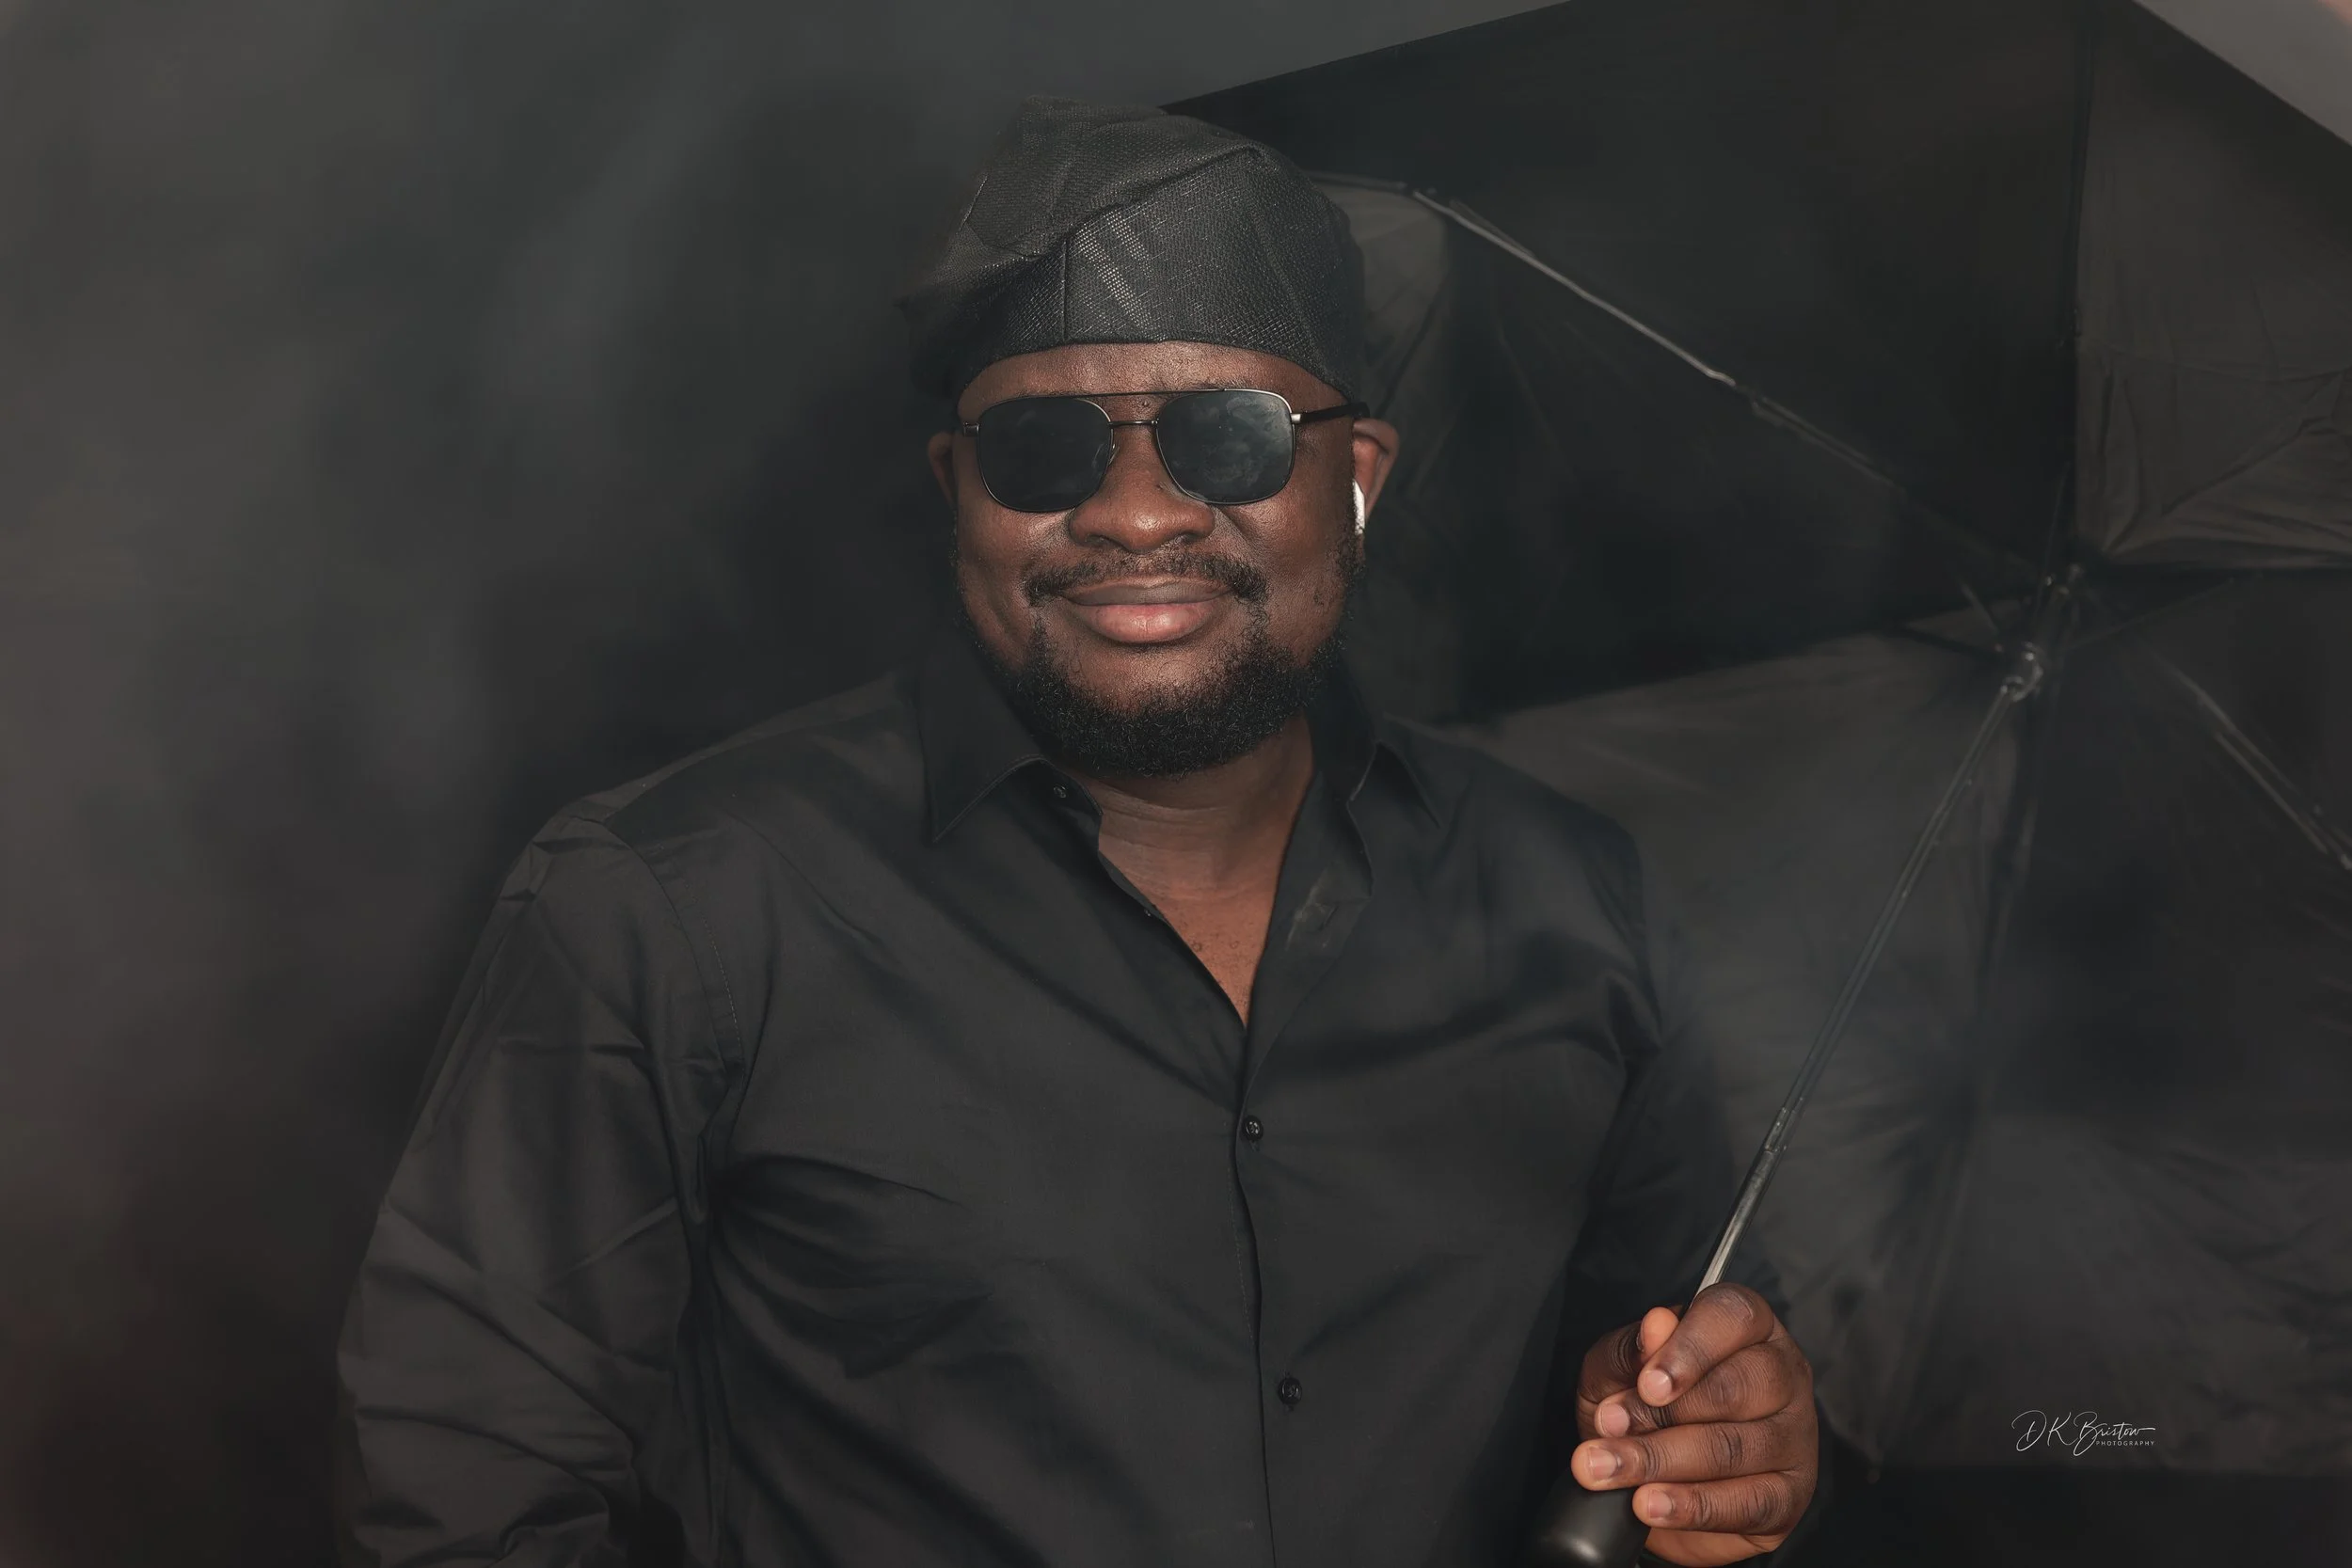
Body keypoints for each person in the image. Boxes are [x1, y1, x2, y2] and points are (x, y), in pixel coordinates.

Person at [335, 98, 1820, 1568]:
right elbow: (462, 1511)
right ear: (958, 490)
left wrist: (1728, 1455)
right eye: (1044, 447)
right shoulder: (677, 909)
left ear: (1354, 480)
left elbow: (1668, 1405)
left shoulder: (1576, 905)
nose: (1134, 514)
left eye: (1227, 437)